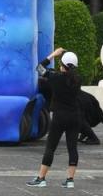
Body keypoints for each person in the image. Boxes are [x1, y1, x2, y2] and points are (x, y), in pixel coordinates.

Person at [27, 47, 83, 189]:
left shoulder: (55, 78)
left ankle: (41, 178)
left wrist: (53, 54)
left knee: (50, 147)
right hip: (74, 117)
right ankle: (70, 180)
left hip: (59, 116)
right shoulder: (78, 79)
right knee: (72, 148)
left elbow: (39, 68)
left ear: (62, 64)